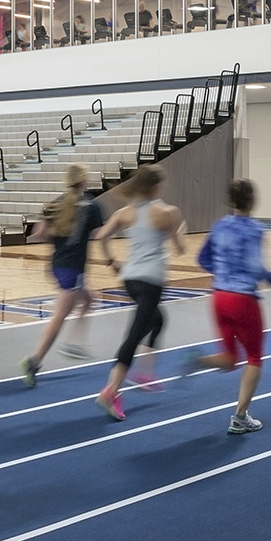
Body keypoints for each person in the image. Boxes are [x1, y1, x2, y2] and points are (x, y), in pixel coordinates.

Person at [183, 180, 271, 434]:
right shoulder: (255, 229)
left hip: (219, 297)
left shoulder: (219, 226)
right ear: (252, 201)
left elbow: (201, 258)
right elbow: (257, 266)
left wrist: (221, 274)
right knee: (254, 357)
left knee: (230, 359)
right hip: (243, 299)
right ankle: (240, 416)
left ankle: (199, 360)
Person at [93, 165, 186, 420]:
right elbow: (180, 250)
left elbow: (101, 237)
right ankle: (111, 391)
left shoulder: (125, 213)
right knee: (133, 337)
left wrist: (112, 262)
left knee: (158, 320)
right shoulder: (168, 213)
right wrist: (179, 232)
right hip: (151, 281)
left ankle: (145, 373)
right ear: (156, 186)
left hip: (130, 280)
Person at [20, 163, 106, 387]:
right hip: (73, 269)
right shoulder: (92, 206)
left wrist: (59, 239)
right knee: (59, 317)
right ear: (85, 181)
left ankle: (75, 344)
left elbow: (38, 234)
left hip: (59, 264)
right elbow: (99, 234)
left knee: (91, 298)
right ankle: (34, 361)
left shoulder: (56, 204)